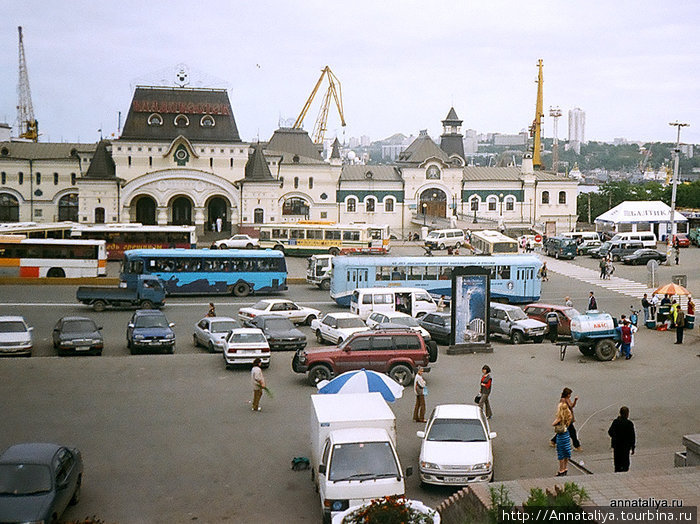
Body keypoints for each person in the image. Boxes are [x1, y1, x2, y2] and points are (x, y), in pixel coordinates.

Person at [608, 406, 636, 472]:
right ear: (627, 414)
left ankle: (618, 471)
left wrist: (614, 437)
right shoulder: (629, 423)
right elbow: (632, 436)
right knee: (625, 462)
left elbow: (610, 432)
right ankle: (624, 472)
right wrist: (633, 447)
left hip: (617, 446)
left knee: (617, 463)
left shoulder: (616, 422)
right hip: (626, 447)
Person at [552, 400, 573, 476]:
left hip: (561, 436)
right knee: (566, 451)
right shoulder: (569, 415)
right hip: (566, 434)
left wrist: (558, 419)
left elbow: (553, 424)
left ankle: (561, 470)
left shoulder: (560, 417)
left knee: (561, 452)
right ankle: (565, 468)